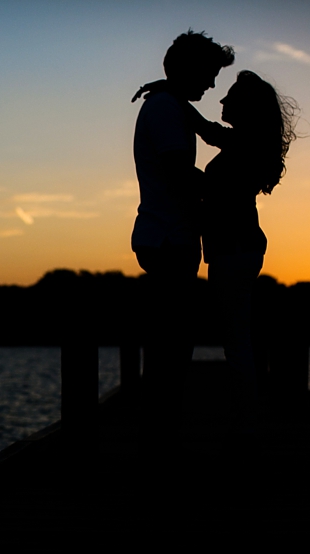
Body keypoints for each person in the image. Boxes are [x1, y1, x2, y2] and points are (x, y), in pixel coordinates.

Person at [129, 31, 234, 443]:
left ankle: (162, 430)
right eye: (208, 74)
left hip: (169, 237)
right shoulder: (166, 110)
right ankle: (161, 434)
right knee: (172, 343)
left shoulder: (172, 105)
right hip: (168, 239)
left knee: (172, 339)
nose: (211, 84)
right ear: (189, 70)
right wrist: (227, 192)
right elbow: (179, 174)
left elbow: (209, 132)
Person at [185, 71, 299, 435]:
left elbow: (209, 175)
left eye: (229, 97)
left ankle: (245, 426)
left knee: (236, 344)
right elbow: (210, 134)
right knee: (237, 340)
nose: (221, 102)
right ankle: (245, 421)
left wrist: (177, 172)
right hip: (238, 250)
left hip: (233, 251)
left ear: (245, 107)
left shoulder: (243, 148)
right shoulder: (245, 145)